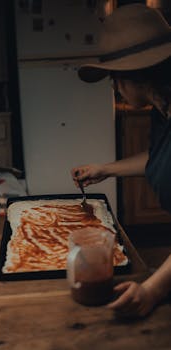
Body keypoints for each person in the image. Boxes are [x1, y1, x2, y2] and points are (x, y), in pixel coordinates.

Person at [71, 3, 171, 317]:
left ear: (137, 77)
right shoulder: (163, 111)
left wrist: (153, 290)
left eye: (115, 78)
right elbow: (160, 159)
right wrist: (106, 169)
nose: (114, 86)